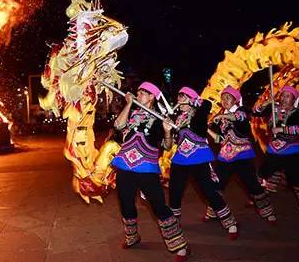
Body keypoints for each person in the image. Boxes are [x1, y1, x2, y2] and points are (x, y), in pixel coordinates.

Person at [111, 81, 189, 262]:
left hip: (147, 167)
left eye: (142, 93)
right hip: (124, 165)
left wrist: (167, 131)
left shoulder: (161, 117)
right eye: (137, 92)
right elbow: (118, 125)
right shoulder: (131, 111)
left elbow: (167, 146)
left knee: (159, 205)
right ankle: (132, 236)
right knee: (125, 203)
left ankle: (179, 244)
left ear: (152, 96)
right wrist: (129, 104)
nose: (138, 95)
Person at [165, 86, 238, 240]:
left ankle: (229, 221)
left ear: (191, 99)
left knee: (208, 190)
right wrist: (166, 129)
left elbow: (206, 104)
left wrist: (192, 100)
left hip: (199, 156)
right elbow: (169, 144)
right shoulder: (175, 118)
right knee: (174, 191)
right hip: (180, 158)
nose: (179, 99)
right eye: (178, 96)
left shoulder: (199, 113)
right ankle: (174, 222)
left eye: (182, 96)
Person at [206, 86, 276, 225]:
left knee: (253, 185)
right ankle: (213, 212)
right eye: (223, 98)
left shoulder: (241, 110)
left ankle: (268, 212)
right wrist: (207, 129)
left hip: (242, 155)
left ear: (235, 100)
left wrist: (222, 116)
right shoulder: (220, 116)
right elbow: (219, 139)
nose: (225, 100)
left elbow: (239, 118)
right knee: (217, 184)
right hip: (225, 156)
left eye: (228, 98)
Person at [255, 85, 299, 213]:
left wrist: (281, 129)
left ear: (293, 99)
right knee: (262, 173)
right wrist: (269, 102)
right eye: (282, 96)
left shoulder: (298, 112)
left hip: (292, 151)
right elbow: (256, 112)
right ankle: (257, 197)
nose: (284, 99)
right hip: (274, 150)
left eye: (287, 96)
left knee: (295, 179)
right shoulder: (274, 109)